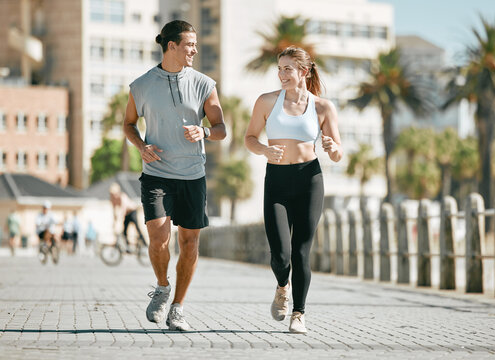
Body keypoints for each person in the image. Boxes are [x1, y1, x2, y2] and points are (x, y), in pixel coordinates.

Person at [123, 20, 226, 331]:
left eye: (194, 45)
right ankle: (162, 286)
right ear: (171, 46)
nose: (194, 50)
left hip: (193, 175)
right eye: (189, 45)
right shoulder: (140, 86)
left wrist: (205, 131)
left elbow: (222, 129)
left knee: (189, 242)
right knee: (158, 239)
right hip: (156, 173)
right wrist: (140, 145)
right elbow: (128, 124)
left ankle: (178, 307)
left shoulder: (205, 84)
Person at [244, 46, 343, 334]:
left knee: (300, 252)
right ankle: (281, 286)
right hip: (276, 179)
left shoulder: (323, 107)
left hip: (309, 179)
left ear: (303, 71)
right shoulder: (266, 102)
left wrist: (333, 148)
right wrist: (263, 149)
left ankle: (299, 313)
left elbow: (337, 153)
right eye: (279, 68)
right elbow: (250, 138)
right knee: (280, 255)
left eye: (287, 68)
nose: (281, 74)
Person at [109, 183, 145, 252]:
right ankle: (128, 246)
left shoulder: (123, 197)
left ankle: (144, 244)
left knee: (137, 228)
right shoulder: (113, 199)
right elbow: (114, 211)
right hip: (126, 215)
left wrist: (119, 219)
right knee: (124, 231)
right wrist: (114, 221)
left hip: (132, 212)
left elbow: (123, 209)